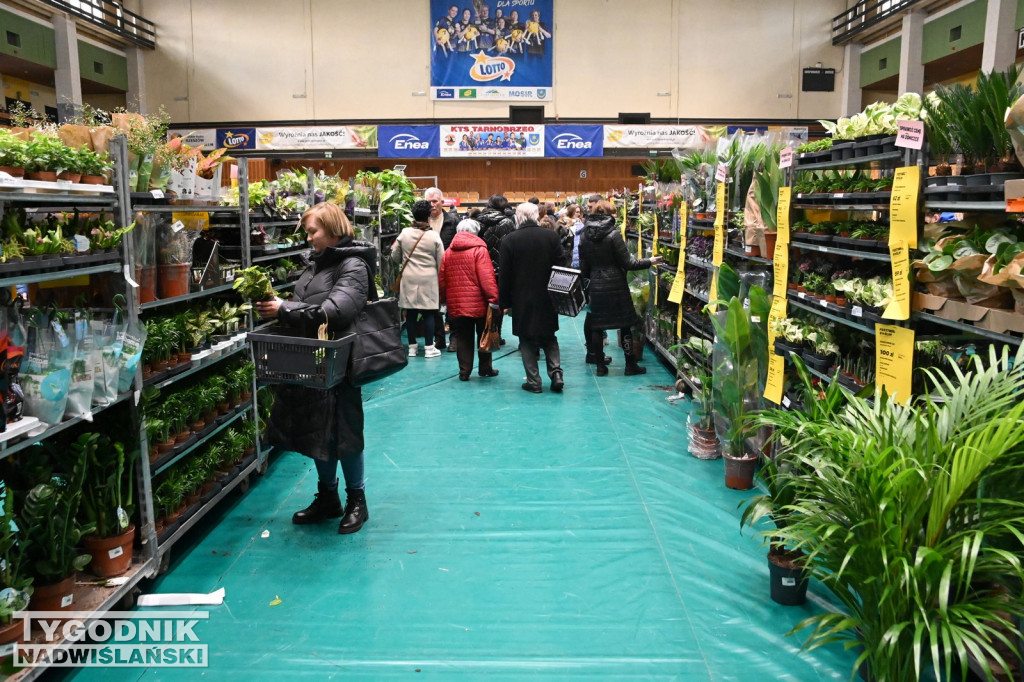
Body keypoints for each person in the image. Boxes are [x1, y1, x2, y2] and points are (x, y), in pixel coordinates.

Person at [256, 202, 374, 534]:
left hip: (342, 362)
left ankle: (356, 501)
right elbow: (307, 304)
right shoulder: (315, 265)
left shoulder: (353, 265)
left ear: (334, 230)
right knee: (317, 431)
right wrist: (278, 306)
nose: (309, 238)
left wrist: (283, 309)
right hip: (315, 361)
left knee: (345, 433)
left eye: (313, 231)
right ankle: (328, 498)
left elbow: (335, 311)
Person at [578, 199, 661, 377]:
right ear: (608, 214)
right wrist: (649, 261)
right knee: (625, 326)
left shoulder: (584, 234)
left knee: (597, 326)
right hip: (616, 284)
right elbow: (628, 263)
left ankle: (600, 367)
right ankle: (630, 365)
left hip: (596, 285)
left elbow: (583, 267)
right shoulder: (613, 234)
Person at [499, 201, 566, 394]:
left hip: (522, 298)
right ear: (536, 216)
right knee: (549, 336)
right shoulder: (551, 237)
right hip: (548, 296)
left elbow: (505, 275)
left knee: (526, 339)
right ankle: (556, 373)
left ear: (518, 218)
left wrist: (504, 302)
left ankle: (534, 382)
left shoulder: (509, 240)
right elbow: (561, 266)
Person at [439, 218, 500, 382]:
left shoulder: (448, 252)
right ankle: (485, 368)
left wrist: (444, 299)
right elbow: (487, 278)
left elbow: (442, 279)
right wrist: (494, 299)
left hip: (457, 303)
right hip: (479, 303)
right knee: (483, 335)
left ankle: (464, 372)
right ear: (476, 232)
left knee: (463, 337)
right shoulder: (479, 250)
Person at [391, 200, 445, 358]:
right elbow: (441, 261)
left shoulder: (404, 233)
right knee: (428, 313)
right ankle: (429, 348)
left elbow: (395, 257)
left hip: (409, 278)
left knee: (411, 313)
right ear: (428, 216)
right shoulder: (434, 236)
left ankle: (412, 348)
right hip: (429, 279)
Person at [424, 187, 460, 351]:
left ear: (442, 202)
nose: (432, 205)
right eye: (429, 202)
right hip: (429, 271)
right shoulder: (422, 222)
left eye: (435, 201)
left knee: (452, 307)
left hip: (450, 270)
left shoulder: (453, 221)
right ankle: (439, 339)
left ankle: (454, 339)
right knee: (434, 307)